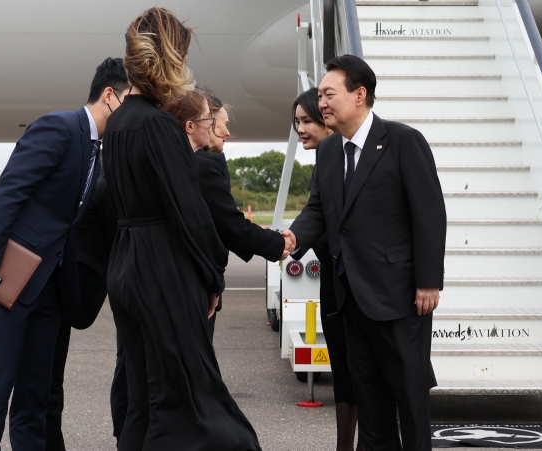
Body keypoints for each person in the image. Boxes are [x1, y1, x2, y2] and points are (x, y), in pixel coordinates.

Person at [102, 7, 261, 450]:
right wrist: (212, 276)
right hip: (162, 268)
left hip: (127, 264)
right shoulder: (158, 125)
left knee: (143, 396)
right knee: (192, 396)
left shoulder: (117, 123)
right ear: (172, 57)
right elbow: (188, 211)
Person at [0, 55, 125, 450]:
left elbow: (64, 224)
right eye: (132, 99)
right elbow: (9, 193)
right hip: (3, 282)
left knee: (35, 401)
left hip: (45, 292)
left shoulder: (96, 150)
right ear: (110, 96)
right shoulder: (60, 126)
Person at [284, 55, 447, 451]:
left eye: (329, 94)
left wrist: (429, 281)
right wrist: (289, 240)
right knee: (370, 402)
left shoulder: (403, 141)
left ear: (360, 95)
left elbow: (430, 214)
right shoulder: (328, 152)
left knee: (409, 398)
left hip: (400, 298)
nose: (321, 103)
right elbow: (318, 211)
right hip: (350, 299)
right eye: (319, 95)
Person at [43, 57, 129, 451]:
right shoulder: (71, 136)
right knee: (41, 383)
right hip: (53, 282)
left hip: (68, 280)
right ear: (110, 96)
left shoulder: (106, 148)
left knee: (49, 383)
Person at [165, 88, 290, 338]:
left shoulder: (167, 160)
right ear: (199, 123)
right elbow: (229, 226)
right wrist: (278, 244)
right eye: (218, 123)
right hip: (188, 285)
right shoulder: (200, 167)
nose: (227, 132)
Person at [291, 87, 364, 451]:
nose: (300, 129)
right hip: (334, 287)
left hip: (364, 285)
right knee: (344, 374)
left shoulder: (353, 161)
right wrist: (290, 241)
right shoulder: (326, 162)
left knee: (365, 374)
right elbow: (315, 214)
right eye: (297, 122)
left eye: (306, 121)